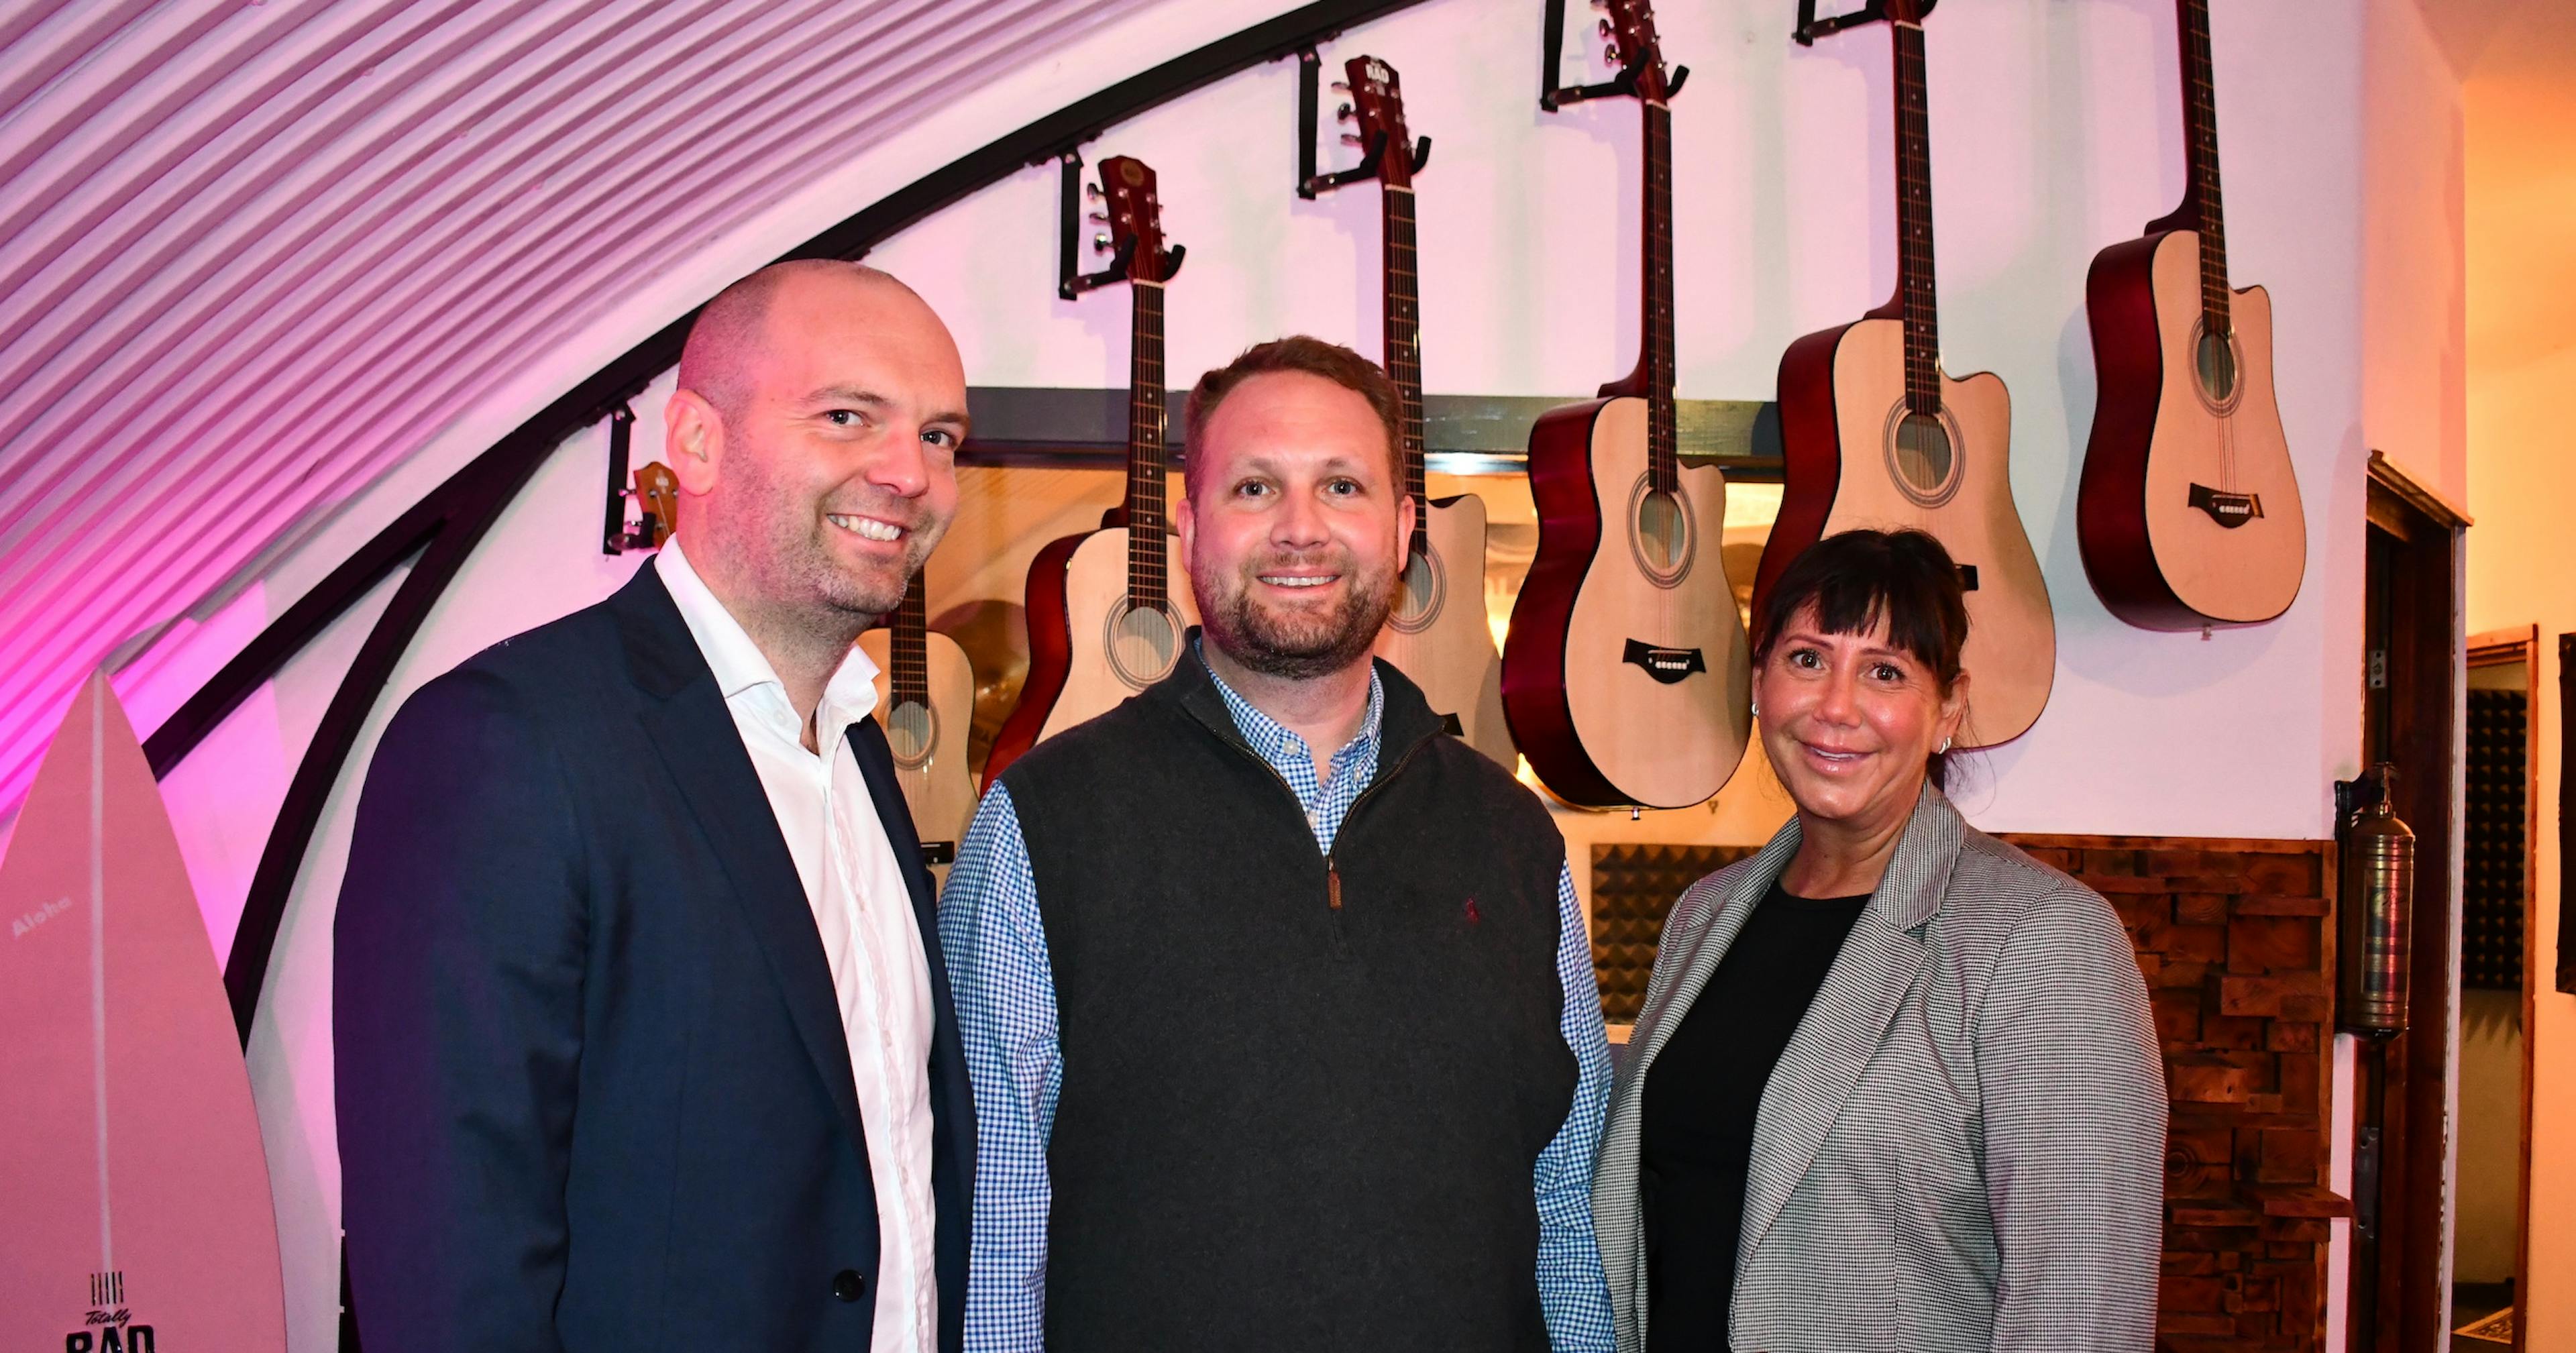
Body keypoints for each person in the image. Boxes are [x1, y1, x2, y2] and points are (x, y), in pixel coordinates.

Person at [335, 260, 976, 1353]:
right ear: (695, 440)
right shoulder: (508, 741)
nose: (908, 472)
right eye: (846, 415)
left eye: (942, 436)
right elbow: (452, 1261)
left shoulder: (859, 750)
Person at [939, 335, 1616, 1352]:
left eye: (1341, 486)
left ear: (1400, 529)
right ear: (1188, 526)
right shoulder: (1043, 821)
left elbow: (1564, 1205)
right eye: (1256, 487)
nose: (1301, 529)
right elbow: (997, 1219)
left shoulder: (1514, 835)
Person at [1589, 527, 2165, 1353]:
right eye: (1807, 659)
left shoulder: (2044, 940)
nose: (1836, 706)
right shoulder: (1703, 915)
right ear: (1759, 684)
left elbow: (2081, 1311)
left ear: (1948, 710)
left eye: (1885, 671)